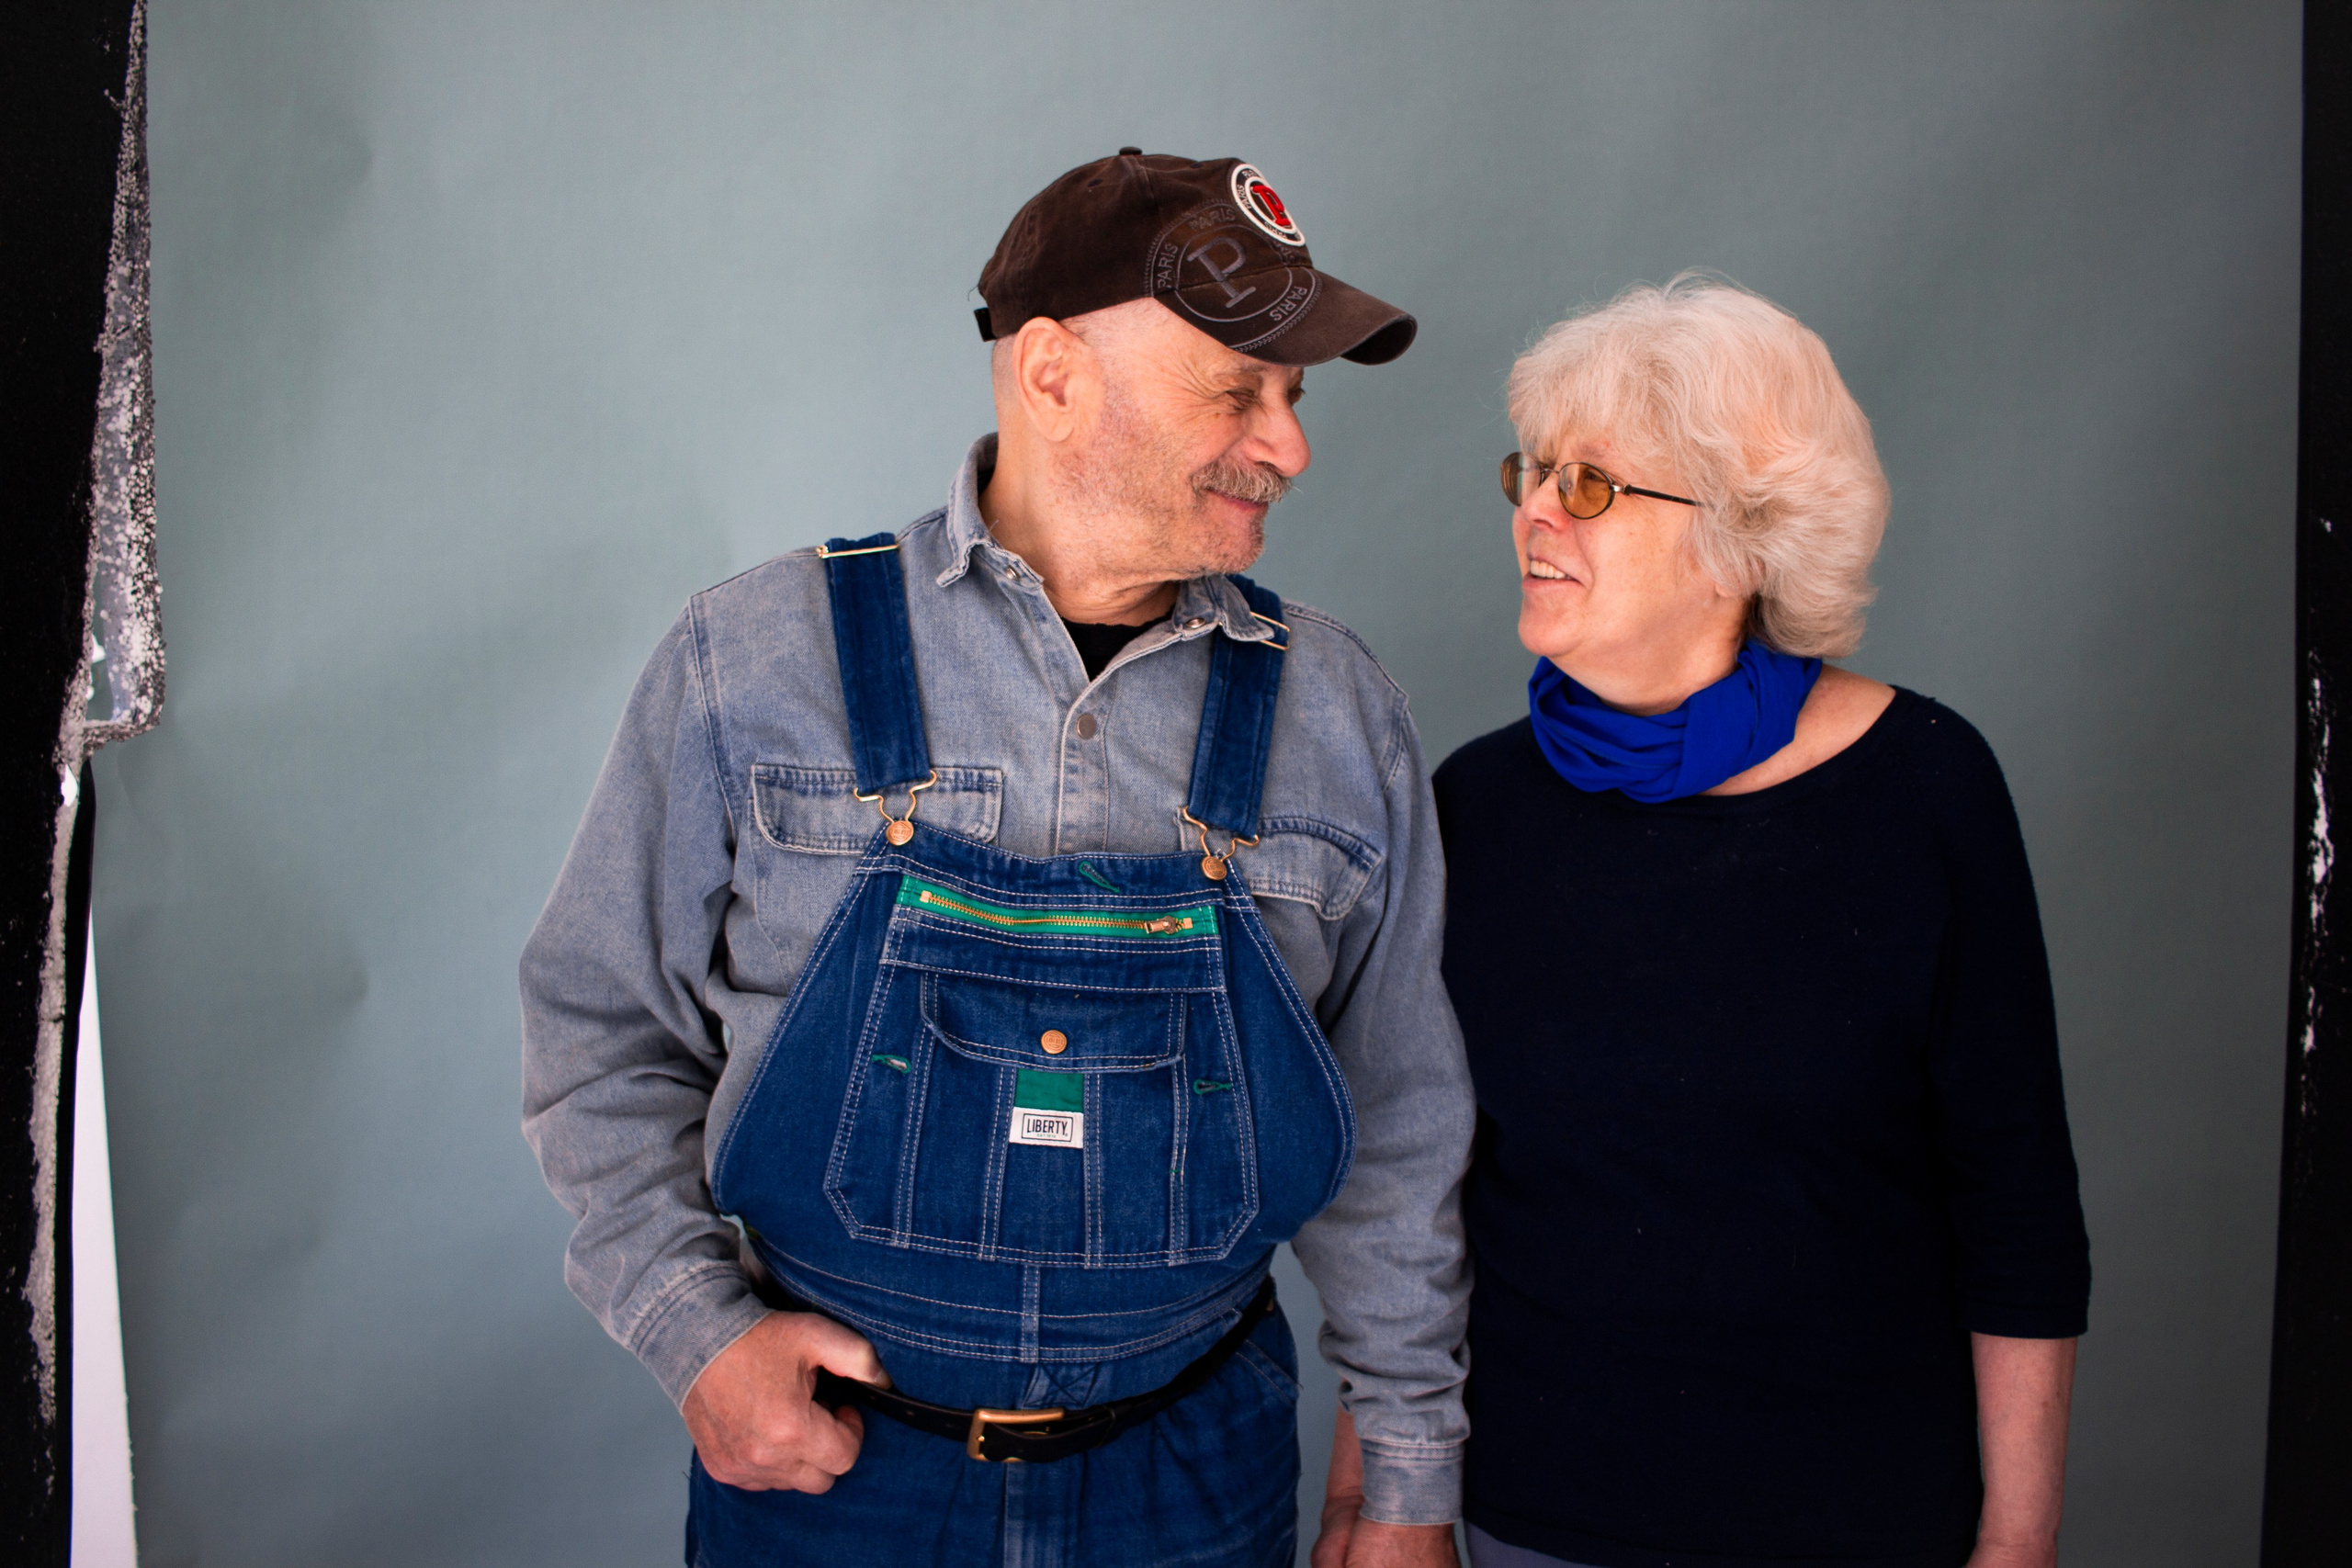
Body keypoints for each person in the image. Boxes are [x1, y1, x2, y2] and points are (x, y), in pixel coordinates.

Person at [521, 149, 1474, 1568]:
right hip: (844, 1477)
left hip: (1193, 1479)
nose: (1291, 446)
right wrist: (693, 1336)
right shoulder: (754, 663)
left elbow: (1396, 1133)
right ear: (1050, 376)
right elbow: (600, 1037)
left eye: (1295, 397)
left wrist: (1401, 1482)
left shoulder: (1339, 714)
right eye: (1239, 390)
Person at [1377, 275, 2089, 1568]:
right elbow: (1416, 1197)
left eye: (1590, 484)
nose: (1535, 509)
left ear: (1744, 538)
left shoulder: (1928, 787)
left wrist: (2022, 1539)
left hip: (1862, 1525)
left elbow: (2018, 1201)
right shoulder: (1475, 804)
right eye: (1530, 472)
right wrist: (1373, 1505)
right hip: (1536, 1522)